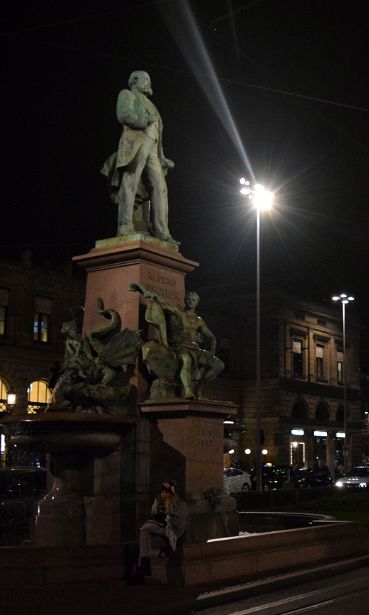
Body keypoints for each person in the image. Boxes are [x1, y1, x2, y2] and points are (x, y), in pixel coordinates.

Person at [101, 70, 175, 243]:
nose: (149, 83)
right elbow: (124, 115)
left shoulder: (151, 104)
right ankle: (124, 226)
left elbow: (158, 135)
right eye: (146, 80)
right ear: (135, 80)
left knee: (160, 187)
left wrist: (162, 156)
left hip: (153, 149)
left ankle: (162, 232)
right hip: (137, 143)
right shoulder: (127, 94)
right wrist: (145, 121)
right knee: (130, 181)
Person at [131, 284, 225, 399]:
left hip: (195, 348)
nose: (191, 301)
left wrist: (212, 352)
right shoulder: (178, 312)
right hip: (180, 346)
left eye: (193, 299)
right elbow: (164, 305)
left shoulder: (199, 320)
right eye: (189, 299)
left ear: (197, 302)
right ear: (185, 301)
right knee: (186, 360)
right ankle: (188, 390)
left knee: (219, 365)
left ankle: (199, 387)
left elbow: (212, 337)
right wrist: (146, 292)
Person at [133, 481, 188, 583]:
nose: (164, 495)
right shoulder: (158, 503)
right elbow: (154, 517)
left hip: (172, 533)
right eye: (162, 492)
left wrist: (166, 514)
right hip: (160, 530)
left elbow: (179, 523)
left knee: (144, 529)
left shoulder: (180, 504)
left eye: (166, 492)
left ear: (171, 493)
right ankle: (145, 563)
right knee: (144, 533)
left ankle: (142, 566)